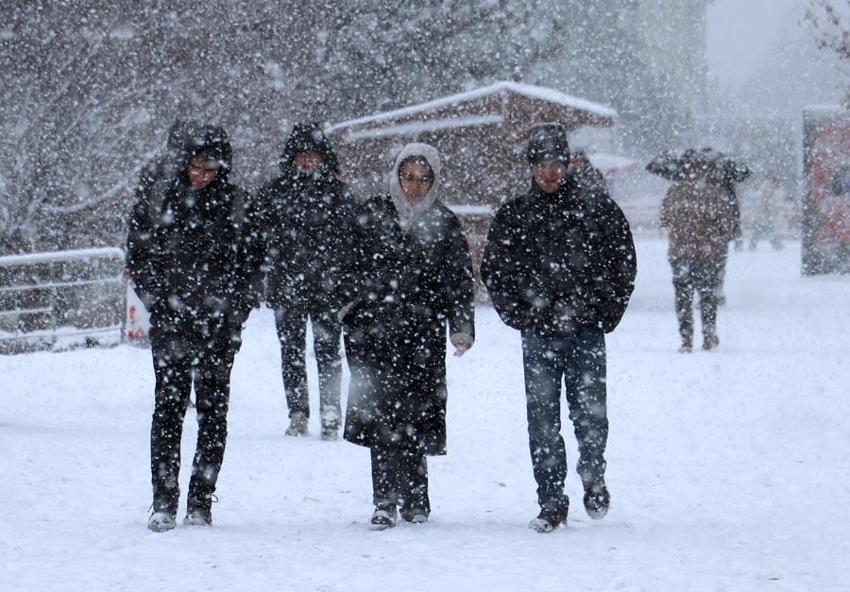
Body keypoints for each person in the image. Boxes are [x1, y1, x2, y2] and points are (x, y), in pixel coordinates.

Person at [481, 123, 636, 533]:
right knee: (543, 420)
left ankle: (592, 474)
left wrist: (607, 310)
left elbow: (623, 259)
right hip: (539, 333)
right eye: (540, 164)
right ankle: (551, 501)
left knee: (590, 414)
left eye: (555, 163)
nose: (548, 172)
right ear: (530, 167)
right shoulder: (516, 215)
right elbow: (495, 269)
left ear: (567, 164)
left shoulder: (596, 209)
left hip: (586, 329)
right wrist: (519, 313)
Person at [126, 121, 261, 532]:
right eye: (195, 166)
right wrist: (158, 303)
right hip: (171, 325)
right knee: (167, 410)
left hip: (219, 328)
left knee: (212, 412)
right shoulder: (157, 201)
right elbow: (140, 256)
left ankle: (201, 500)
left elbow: (253, 266)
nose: (201, 175)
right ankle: (163, 499)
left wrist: (235, 311)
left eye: (210, 168)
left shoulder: (239, 205)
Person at [340, 143, 475, 529]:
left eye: (423, 178)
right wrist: (351, 306)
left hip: (422, 333)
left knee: (416, 413)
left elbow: (458, 278)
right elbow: (347, 265)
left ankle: (416, 496)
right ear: (396, 176)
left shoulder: (443, 222)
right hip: (375, 332)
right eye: (408, 176)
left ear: (433, 180)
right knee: (382, 415)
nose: (414, 186)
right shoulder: (372, 215)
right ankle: (384, 498)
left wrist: (460, 326)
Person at [254, 123, 356, 440]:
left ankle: (330, 411)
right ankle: (298, 411)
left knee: (328, 350)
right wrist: (265, 278)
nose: (308, 161)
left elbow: (354, 241)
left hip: (329, 287)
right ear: (293, 157)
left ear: (324, 157)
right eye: (302, 155)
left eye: (313, 155)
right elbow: (259, 239)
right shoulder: (275, 193)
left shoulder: (340, 194)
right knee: (292, 351)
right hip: (287, 286)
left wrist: (346, 280)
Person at [660, 155, 736, 352]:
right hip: (707, 254)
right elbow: (726, 226)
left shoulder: (675, 192)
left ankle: (686, 337)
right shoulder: (717, 195)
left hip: (679, 253)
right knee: (707, 296)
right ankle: (709, 335)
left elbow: (665, 220)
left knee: (682, 297)